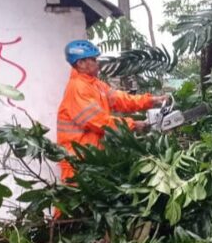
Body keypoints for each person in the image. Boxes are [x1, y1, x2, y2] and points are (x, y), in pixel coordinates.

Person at [56, 40, 165, 182]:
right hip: (77, 161)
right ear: (80, 63)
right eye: (93, 60)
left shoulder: (96, 85)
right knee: (74, 201)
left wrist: (151, 100)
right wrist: (132, 125)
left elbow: (121, 99)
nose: (98, 63)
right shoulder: (78, 88)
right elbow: (98, 122)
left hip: (91, 157)